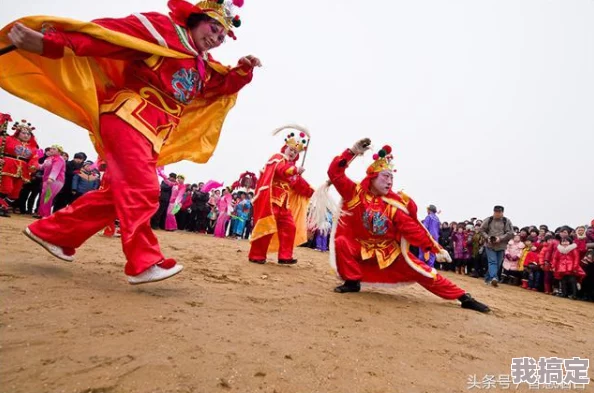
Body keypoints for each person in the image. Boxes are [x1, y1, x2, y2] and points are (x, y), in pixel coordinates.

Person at [4, 0, 261, 284]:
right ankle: (144, 261)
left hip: (152, 132)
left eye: (222, 37)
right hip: (128, 117)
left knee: (116, 195)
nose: (215, 38)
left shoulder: (202, 64)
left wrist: (242, 71)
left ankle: (53, 233)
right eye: (213, 28)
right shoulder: (164, 31)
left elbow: (216, 87)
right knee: (144, 189)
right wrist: (48, 43)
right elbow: (108, 39)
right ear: (194, 19)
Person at [320, 138, 489, 313]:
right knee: (341, 242)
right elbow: (335, 173)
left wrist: (434, 248)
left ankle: (463, 297)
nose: (390, 181)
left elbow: (413, 230)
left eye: (392, 177)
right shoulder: (355, 193)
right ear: (372, 177)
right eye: (385, 176)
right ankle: (352, 282)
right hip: (359, 247)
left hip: (388, 253)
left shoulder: (394, 205)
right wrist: (352, 152)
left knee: (423, 272)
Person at [248, 127, 314, 264]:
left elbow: (301, 185)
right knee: (267, 228)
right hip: (271, 201)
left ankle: (285, 256)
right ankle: (257, 255)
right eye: (291, 150)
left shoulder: (292, 171)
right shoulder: (277, 158)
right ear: (285, 149)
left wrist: (317, 192)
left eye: (295, 152)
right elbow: (280, 170)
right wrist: (295, 170)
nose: (292, 153)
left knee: (290, 227)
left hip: (284, 204)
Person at [0, 117, 39, 217]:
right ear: (18, 133)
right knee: (7, 188)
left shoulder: (33, 147)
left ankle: (3, 207)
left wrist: (33, 166)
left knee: (15, 193)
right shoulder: (7, 139)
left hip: (23, 170)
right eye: (23, 133)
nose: (26, 135)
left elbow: (34, 158)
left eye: (28, 134)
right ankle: (2, 206)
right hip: (8, 166)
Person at [479, 205, 515, 287]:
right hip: (489, 245)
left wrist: (500, 238)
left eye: (499, 212)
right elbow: (481, 230)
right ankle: (494, 278)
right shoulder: (489, 220)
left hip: (501, 245)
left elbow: (510, 233)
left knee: (498, 264)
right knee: (492, 262)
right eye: (495, 212)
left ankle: (488, 278)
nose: (497, 213)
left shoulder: (507, 221)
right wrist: (487, 237)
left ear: (502, 212)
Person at [37, 145, 66, 218]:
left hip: (56, 180)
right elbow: (42, 167)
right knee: (43, 197)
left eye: (54, 149)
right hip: (46, 180)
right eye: (51, 149)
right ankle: (41, 213)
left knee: (48, 197)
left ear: (59, 152)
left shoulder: (60, 159)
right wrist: (34, 164)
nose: (51, 150)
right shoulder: (49, 158)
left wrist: (51, 178)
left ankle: (46, 215)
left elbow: (56, 169)